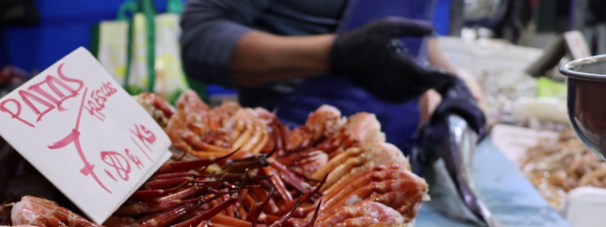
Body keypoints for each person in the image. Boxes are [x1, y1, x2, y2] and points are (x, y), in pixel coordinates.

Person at [180, 0, 485, 153]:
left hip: (394, 153)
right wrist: (339, 53)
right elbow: (201, 39)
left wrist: (449, 80)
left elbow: (415, 27)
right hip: (290, 162)